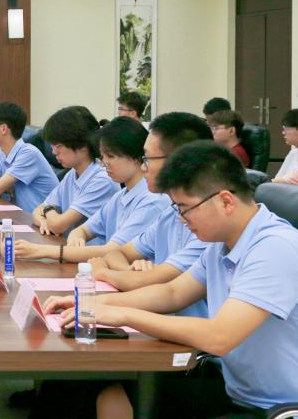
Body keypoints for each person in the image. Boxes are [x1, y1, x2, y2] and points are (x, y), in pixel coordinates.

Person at [43, 141, 298, 418]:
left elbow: (219, 337)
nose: (181, 219)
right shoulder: (223, 243)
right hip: (240, 393)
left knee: (109, 391)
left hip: (287, 409)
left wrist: (122, 315)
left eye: (184, 208)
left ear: (226, 201)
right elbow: (172, 294)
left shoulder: (275, 248)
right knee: (92, 387)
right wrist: (93, 302)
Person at [90, 112, 213, 308]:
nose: (143, 167)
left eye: (147, 158)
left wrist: (104, 273)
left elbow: (165, 289)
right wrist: (129, 271)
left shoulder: (211, 227)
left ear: (179, 161)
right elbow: (116, 253)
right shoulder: (170, 215)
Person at [14, 117, 167, 261]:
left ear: (136, 157)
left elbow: (114, 251)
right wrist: (76, 238)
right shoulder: (121, 196)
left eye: (111, 156)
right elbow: (82, 230)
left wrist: (42, 251)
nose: (105, 164)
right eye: (103, 157)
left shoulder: (152, 200)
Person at [31, 106, 117, 237]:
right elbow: (36, 212)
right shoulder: (73, 173)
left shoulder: (102, 180)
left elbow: (58, 225)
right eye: (52, 146)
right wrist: (44, 221)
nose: (54, 152)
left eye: (58, 146)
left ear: (82, 145)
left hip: (89, 249)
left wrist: (48, 210)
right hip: (66, 245)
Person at [0, 102, 58, 211]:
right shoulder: (6, 156)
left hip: (39, 220)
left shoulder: (28, 154)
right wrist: (4, 187)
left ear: (3, 129)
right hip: (20, 216)